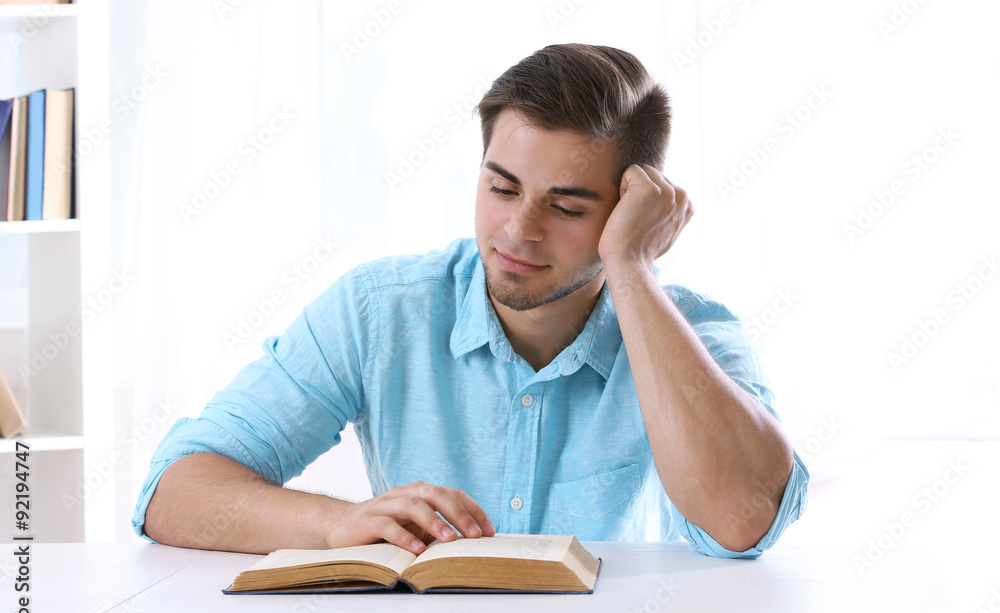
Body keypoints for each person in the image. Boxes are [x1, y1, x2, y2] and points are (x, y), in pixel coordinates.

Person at [135, 43, 808, 559]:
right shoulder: (380, 310)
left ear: (631, 207)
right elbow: (171, 491)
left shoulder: (694, 333)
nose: (519, 230)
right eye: (503, 187)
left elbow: (745, 521)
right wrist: (338, 521)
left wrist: (630, 268)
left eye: (567, 205)